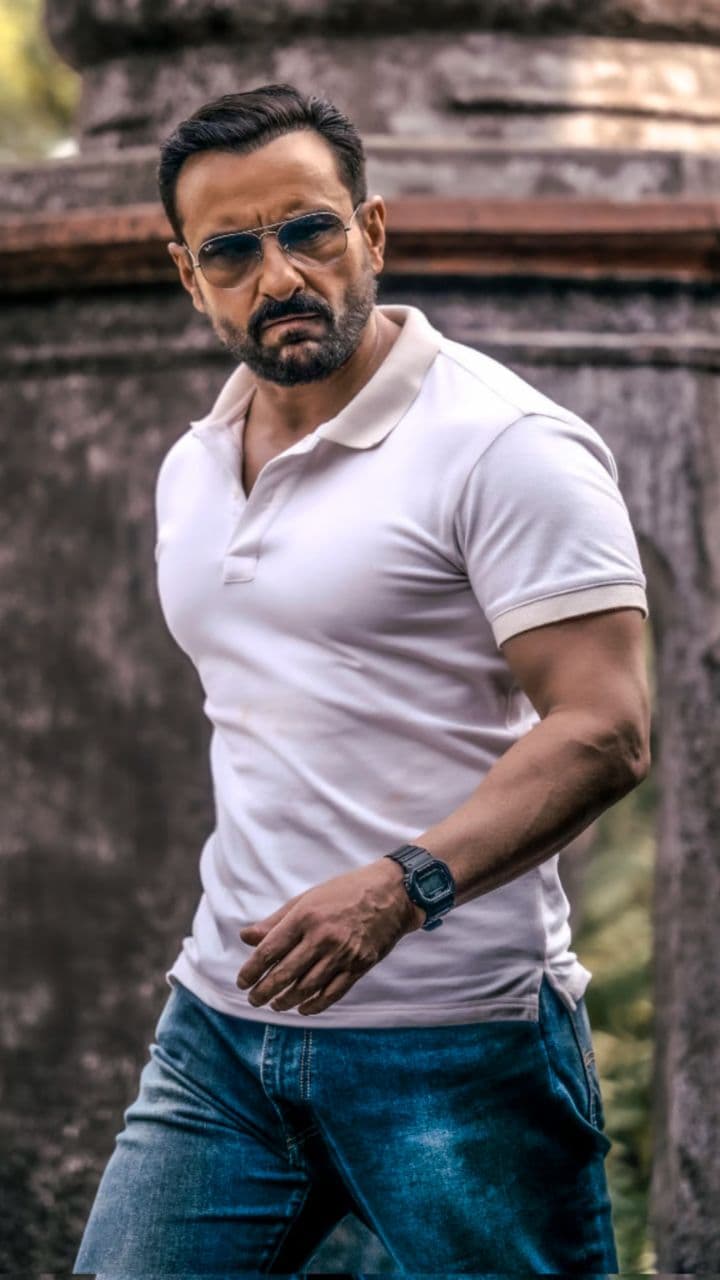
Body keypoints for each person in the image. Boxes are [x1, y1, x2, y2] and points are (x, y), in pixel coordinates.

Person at [74, 83, 651, 1276]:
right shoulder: (194, 464)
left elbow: (604, 726)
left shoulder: (505, 444)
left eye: (309, 231)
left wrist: (399, 888)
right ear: (189, 277)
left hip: (458, 1041)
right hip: (223, 1033)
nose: (278, 274)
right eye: (232, 251)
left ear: (372, 231)